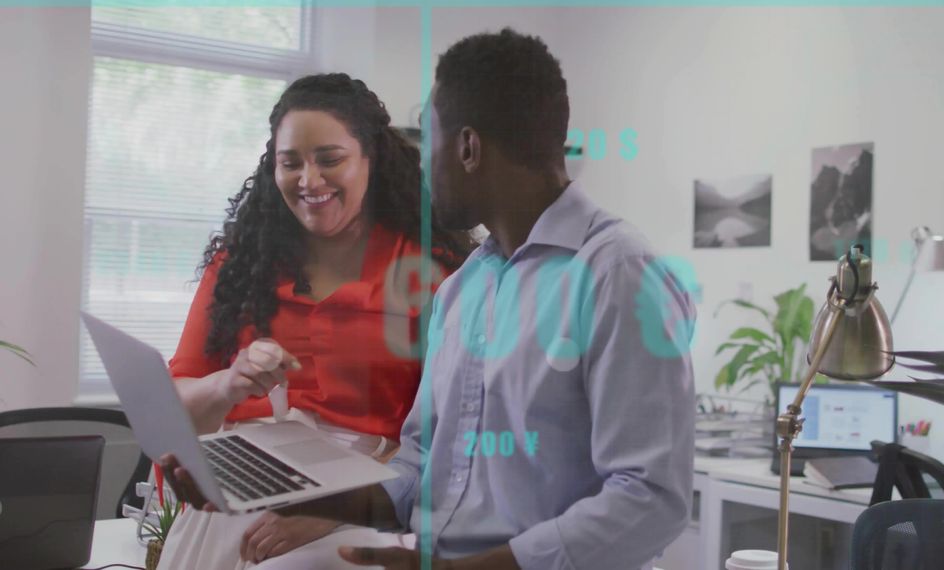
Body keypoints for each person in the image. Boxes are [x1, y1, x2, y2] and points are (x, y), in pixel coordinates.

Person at [163, 29, 697, 570]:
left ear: (467, 149)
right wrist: (278, 498)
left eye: (430, 145)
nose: (421, 166)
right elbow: (419, 472)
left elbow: (651, 500)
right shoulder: (465, 288)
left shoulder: (619, 274)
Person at [157, 73, 475, 570]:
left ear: (371, 157)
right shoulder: (242, 261)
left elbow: (454, 433)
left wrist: (335, 509)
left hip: (372, 490)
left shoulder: (432, 271)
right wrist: (228, 384)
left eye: (330, 160)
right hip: (241, 482)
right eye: (291, 163)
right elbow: (171, 413)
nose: (309, 180)